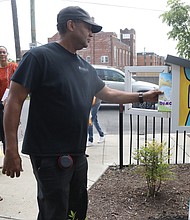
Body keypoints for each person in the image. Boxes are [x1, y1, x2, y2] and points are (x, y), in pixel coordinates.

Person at [2, 6, 163, 220]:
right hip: (49, 154)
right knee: (54, 213)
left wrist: (142, 97)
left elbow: (107, 93)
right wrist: (11, 150)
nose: (91, 33)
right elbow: (14, 100)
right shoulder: (39, 57)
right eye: (88, 27)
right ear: (71, 25)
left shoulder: (85, 67)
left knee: (77, 211)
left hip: (77, 153)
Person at [0, 46, 18, 154]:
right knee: (3, 132)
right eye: (0, 52)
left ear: (7, 54)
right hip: (1, 103)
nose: (2, 54)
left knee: (11, 129)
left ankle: (13, 155)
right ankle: (7, 155)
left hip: (12, 102)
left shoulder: (13, 67)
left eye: (3, 52)